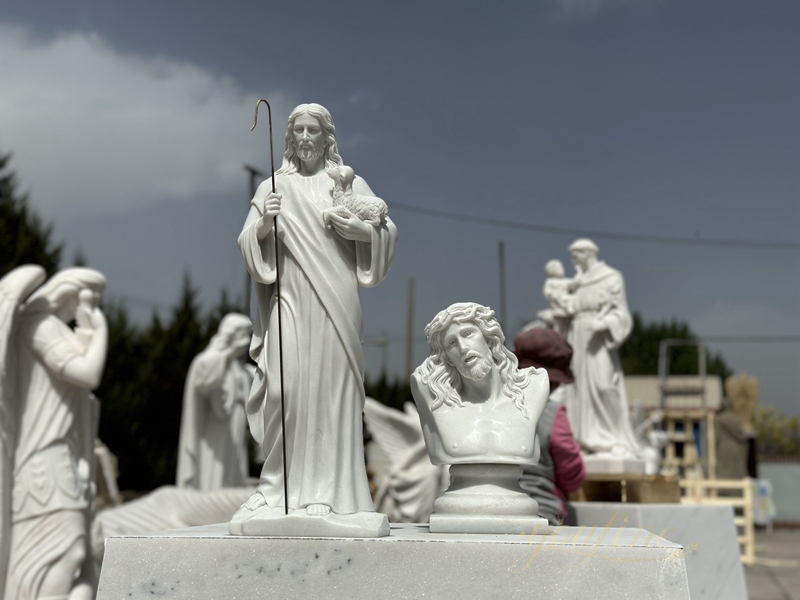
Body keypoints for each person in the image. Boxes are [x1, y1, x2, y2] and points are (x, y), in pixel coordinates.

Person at [231, 103, 398, 534]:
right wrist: (264, 224)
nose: (305, 137)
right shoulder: (275, 185)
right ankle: (276, 487)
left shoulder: (347, 180)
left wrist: (359, 232)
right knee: (287, 389)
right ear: (290, 138)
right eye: (298, 130)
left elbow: (383, 229)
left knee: (330, 392)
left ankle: (329, 489)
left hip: (335, 297)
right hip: (288, 297)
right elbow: (248, 242)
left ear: (328, 138)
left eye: (313, 130)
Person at [5, 267, 107, 600]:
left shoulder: (57, 331)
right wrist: (101, 330)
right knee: (66, 555)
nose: (90, 310)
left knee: (79, 554)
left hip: (63, 456)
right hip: (42, 460)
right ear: (70, 295)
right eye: (89, 301)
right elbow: (88, 374)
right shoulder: (39, 327)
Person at [411, 302, 549, 465]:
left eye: (468, 333)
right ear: (448, 358)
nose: (463, 348)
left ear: (489, 339)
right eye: (451, 343)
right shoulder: (437, 400)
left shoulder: (533, 386)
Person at [562, 238, 639, 457]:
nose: (573, 260)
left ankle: (615, 437)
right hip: (576, 337)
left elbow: (621, 314)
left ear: (587, 253)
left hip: (598, 340)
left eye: (575, 255)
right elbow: (568, 308)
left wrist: (604, 323)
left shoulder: (611, 277)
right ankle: (585, 440)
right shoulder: (577, 282)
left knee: (604, 385)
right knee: (578, 389)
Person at [513, 326, 585, 524]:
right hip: (540, 513)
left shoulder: (488, 403)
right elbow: (572, 476)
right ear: (552, 381)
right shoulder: (551, 414)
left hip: (484, 513)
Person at [176, 313, 254, 491]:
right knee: (217, 468)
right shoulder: (214, 361)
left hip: (236, 428)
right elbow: (214, 398)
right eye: (244, 336)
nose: (247, 341)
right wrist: (227, 354)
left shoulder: (240, 369)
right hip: (218, 429)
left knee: (235, 468)